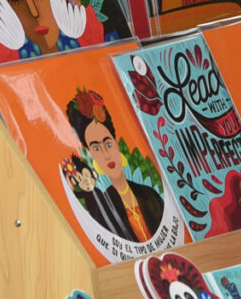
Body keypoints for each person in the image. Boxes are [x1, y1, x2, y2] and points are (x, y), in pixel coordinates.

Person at [63, 86, 166, 243]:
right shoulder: (102, 208)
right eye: (96, 147)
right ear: (91, 154)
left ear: (116, 143)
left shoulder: (150, 195)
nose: (105, 154)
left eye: (108, 143)